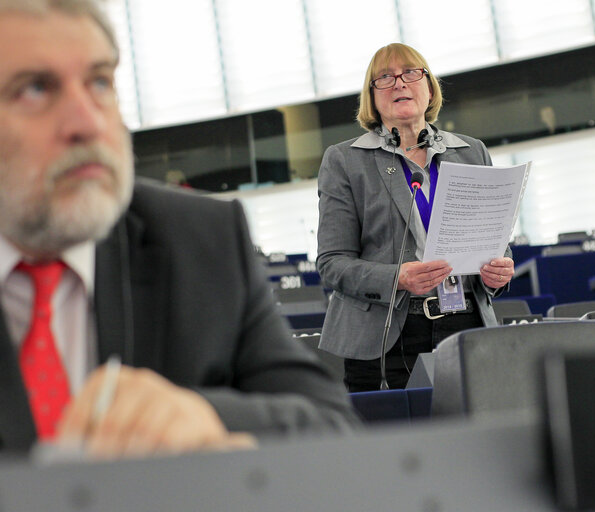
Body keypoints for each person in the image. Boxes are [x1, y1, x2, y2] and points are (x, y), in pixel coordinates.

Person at [0, 0, 358, 458]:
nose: (87, 122)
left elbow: (337, 434)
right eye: (34, 89)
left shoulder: (201, 240)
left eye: (99, 82)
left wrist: (207, 420)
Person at [316, 43, 514, 391]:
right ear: (372, 96)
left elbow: (494, 240)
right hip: (386, 338)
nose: (400, 83)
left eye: (411, 73)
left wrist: (499, 271)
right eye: (385, 78)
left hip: (467, 326)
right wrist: (397, 278)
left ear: (429, 86)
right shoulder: (345, 161)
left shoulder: (471, 152)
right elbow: (332, 263)